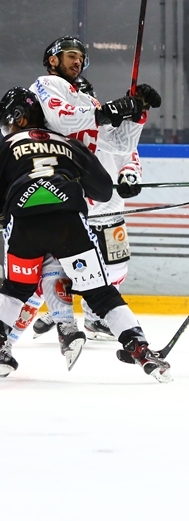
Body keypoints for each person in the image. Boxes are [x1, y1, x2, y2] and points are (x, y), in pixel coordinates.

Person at [0, 87, 170, 382]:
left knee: (16, 289)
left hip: (25, 225)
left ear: (19, 118)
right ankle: (140, 347)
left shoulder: (7, 146)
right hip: (69, 222)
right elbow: (103, 191)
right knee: (101, 291)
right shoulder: (69, 144)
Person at [20, 74, 156, 348]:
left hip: (109, 210)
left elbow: (129, 154)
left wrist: (130, 176)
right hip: (73, 209)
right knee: (54, 268)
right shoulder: (58, 133)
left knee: (115, 268)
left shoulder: (107, 126)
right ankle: (40, 312)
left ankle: (95, 318)